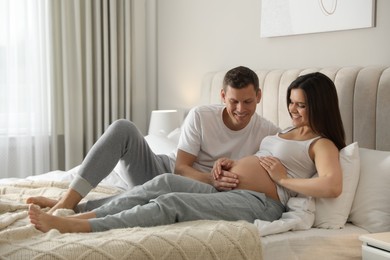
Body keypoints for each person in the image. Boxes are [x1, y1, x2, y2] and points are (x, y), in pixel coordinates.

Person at [28, 72, 345, 233]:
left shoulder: (321, 143)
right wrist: (229, 165)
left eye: (300, 105)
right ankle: (76, 211)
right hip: (231, 189)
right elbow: (255, 162)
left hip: (263, 203)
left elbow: (332, 185)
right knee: (162, 184)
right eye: (291, 102)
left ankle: (81, 226)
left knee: (171, 202)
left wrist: (283, 179)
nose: (293, 110)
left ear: (319, 105)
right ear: (222, 95)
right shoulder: (282, 132)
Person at [27, 66, 280, 213]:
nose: (240, 109)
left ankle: (75, 208)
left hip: (199, 191)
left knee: (162, 190)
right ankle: (67, 201)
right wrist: (214, 179)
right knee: (123, 128)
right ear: (223, 95)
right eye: (233, 101)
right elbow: (181, 167)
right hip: (167, 171)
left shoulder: (268, 133)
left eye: (247, 102)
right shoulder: (201, 116)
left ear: (259, 96)